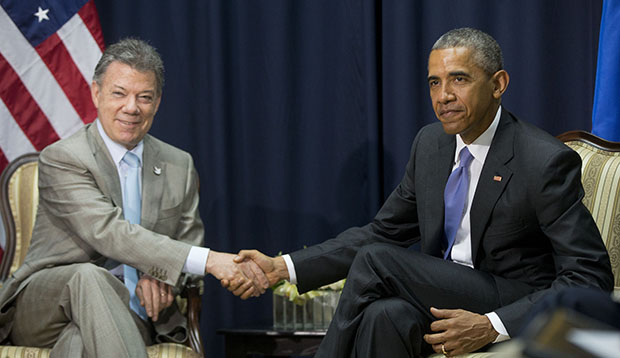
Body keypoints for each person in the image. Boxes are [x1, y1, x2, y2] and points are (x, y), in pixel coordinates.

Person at [233, 28, 614, 357]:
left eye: (459, 79)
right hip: (445, 294)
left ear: (498, 84)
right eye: (435, 82)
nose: (443, 95)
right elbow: (382, 232)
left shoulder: (543, 160)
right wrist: (280, 267)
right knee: (386, 316)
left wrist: (492, 325)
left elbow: (588, 275)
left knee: (376, 260)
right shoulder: (431, 145)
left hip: (509, 299)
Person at [0, 38, 267, 357]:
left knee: (80, 341)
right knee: (89, 277)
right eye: (119, 93)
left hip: (132, 313)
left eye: (144, 97)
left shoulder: (177, 164)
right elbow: (108, 232)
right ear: (96, 93)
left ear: (157, 102)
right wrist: (211, 260)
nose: (132, 107)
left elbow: (188, 238)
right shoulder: (64, 158)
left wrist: (161, 277)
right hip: (44, 307)